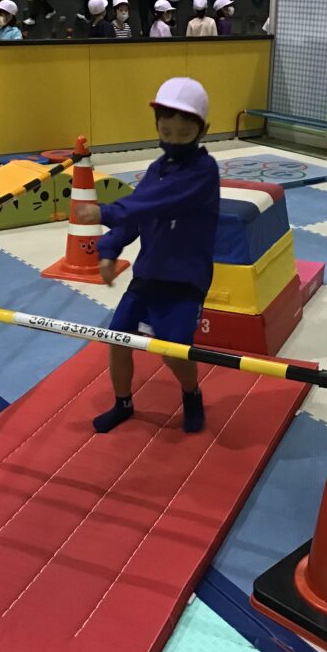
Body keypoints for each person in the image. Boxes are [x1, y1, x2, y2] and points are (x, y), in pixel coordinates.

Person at [75, 77, 220, 434]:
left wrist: (105, 212)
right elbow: (140, 212)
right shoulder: (158, 169)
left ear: (202, 131)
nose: (173, 140)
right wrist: (109, 249)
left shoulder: (203, 172)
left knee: (172, 351)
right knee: (117, 338)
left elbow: (152, 202)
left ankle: (191, 393)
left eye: (183, 134)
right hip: (150, 272)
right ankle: (122, 402)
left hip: (186, 278)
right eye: (166, 132)